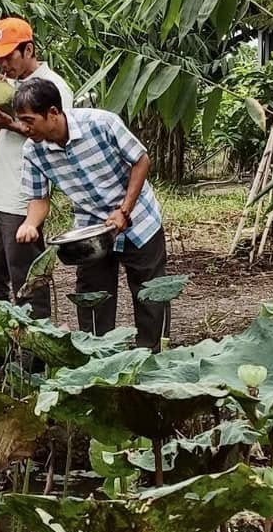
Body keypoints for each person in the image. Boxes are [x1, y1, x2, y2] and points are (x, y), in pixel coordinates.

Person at [11, 78, 170, 348]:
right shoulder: (33, 151)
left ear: (53, 113)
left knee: (150, 294)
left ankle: (153, 358)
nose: (23, 128)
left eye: (29, 120)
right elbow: (39, 198)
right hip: (91, 230)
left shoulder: (101, 123)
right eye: (21, 121)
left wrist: (124, 210)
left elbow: (141, 160)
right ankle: (99, 360)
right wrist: (30, 223)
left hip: (139, 221)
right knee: (92, 298)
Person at [0, 16, 69, 317]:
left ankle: (36, 354)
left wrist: (12, 123)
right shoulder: (7, 87)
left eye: (8, 56)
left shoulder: (53, 87)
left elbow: (54, 137)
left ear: (29, 50)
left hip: (23, 198)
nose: (3, 63)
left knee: (26, 280)